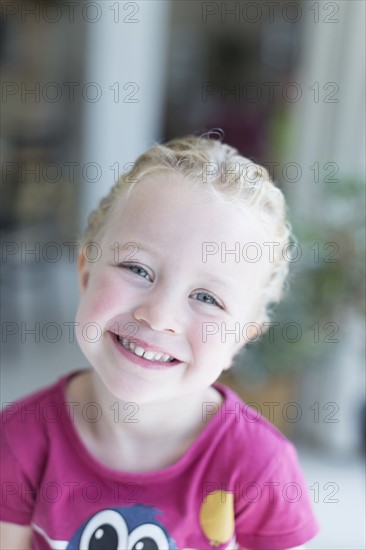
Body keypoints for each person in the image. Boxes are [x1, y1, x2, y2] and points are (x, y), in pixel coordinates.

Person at [0, 134, 319, 549]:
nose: (159, 316)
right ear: (85, 273)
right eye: (137, 269)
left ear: (240, 339)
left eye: (207, 298)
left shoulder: (258, 468)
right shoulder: (19, 439)